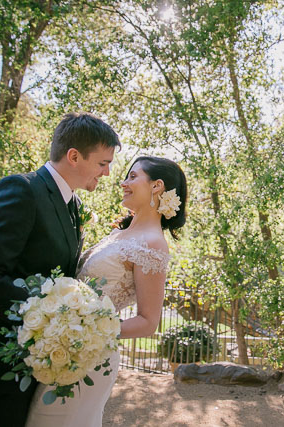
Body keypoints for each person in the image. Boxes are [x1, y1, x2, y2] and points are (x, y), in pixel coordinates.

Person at [0, 112, 121, 426]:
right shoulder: (21, 190)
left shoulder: (74, 207)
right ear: (74, 156)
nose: (106, 173)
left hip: (26, 370)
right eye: (103, 163)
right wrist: (54, 313)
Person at [25, 156, 187, 427]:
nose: (123, 182)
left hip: (90, 355)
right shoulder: (119, 234)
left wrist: (87, 331)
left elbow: (148, 322)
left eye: (133, 177)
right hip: (65, 347)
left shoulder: (153, 245)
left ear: (157, 186)